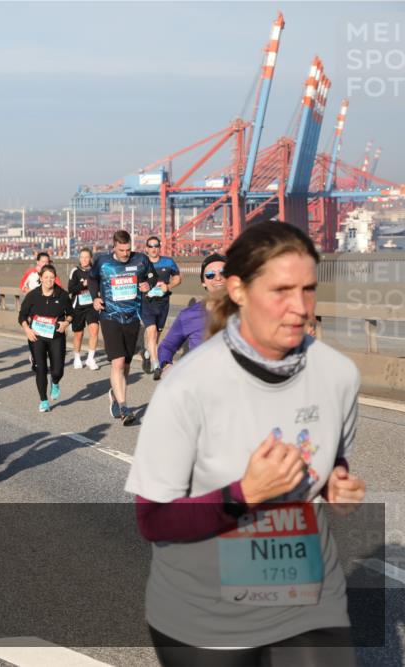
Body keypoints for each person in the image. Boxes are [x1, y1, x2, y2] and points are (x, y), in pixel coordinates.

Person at [125, 222, 365, 665]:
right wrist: (242, 496)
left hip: (308, 599)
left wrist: (335, 479)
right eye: (281, 291)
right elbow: (152, 520)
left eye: (308, 289)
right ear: (237, 290)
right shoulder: (188, 387)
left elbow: (332, 454)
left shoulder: (338, 375)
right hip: (205, 616)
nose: (300, 308)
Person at [91, 230, 155, 425]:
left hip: (132, 317)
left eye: (128, 249)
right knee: (117, 363)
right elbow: (92, 279)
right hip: (110, 316)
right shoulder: (102, 262)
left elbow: (152, 277)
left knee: (126, 364)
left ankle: (115, 393)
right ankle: (124, 406)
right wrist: (95, 297)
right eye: (122, 250)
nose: (126, 253)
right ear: (114, 247)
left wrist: (148, 285)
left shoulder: (141, 260)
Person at [157, 253, 226, 378]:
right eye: (210, 275)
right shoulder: (188, 315)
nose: (218, 278)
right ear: (203, 283)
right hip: (201, 387)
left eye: (223, 272)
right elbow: (166, 346)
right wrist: (167, 367)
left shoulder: (249, 310)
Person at [18, 264, 73, 412]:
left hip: (56, 336)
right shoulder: (33, 295)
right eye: (46, 277)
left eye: (52, 277)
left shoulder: (62, 295)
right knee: (40, 368)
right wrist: (27, 330)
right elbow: (22, 315)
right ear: (41, 278)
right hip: (37, 337)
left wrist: (66, 323)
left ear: (55, 278)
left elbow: (71, 313)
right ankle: (43, 400)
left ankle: (55, 381)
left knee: (57, 370)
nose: (49, 280)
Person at [140, 235, 182, 380]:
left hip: (163, 303)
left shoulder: (168, 262)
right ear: (146, 248)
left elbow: (178, 277)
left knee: (156, 334)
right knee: (151, 332)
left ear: (159, 247)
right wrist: (141, 287)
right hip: (146, 303)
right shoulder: (141, 264)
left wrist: (168, 286)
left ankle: (147, 353)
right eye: (150, 246)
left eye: (156, 246)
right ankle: (156, 364)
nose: (153, 248)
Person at [68, 248, 100, 371]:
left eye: (87, 257)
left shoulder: (95, 271)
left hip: (92, 306)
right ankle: (77, 357)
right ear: (79, 258)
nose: (84, 259)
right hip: (78, 306)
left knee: (94, 331)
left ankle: (91, 358)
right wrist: (83, 284)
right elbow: (71, 289)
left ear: (90, 258)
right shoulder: (75, 271)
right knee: (78, 334)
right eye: (82, 257)